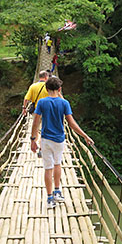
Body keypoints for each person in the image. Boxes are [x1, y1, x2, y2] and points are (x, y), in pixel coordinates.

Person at [30, 77, 93, 208]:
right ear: (59, 89)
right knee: (57, 164)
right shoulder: (64, 103)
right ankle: (57, 191)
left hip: (45, 139)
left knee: (48, 168)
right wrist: (85, 136)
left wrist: (33, 139)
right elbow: (71, 123)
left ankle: (49, 198)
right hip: (59, 139)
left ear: (46, 90)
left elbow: (36, 122)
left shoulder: (42, 102)